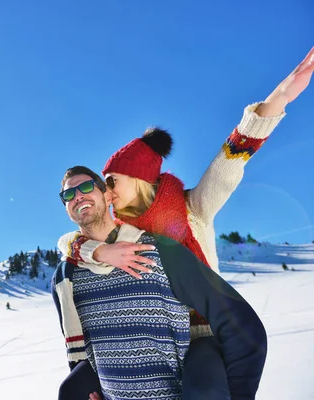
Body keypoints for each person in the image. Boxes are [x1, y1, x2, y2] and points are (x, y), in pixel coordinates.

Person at [57, 46, 314, 398]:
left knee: (203, 387)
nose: (107, 190)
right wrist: (95, 251)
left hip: (204, 334)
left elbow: (231, 160)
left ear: (139, 178)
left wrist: (279, 98)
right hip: (159, 338)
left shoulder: (192, 206)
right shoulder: (119, 235)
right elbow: (73, 241)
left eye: (110, 181)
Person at [52, 166, 267, 400]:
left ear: (107, 195)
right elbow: (79, 353)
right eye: (68, 194)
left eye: (85, 187)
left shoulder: (158, 251)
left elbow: (239, 323)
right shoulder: (67, 275)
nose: (78, 196)